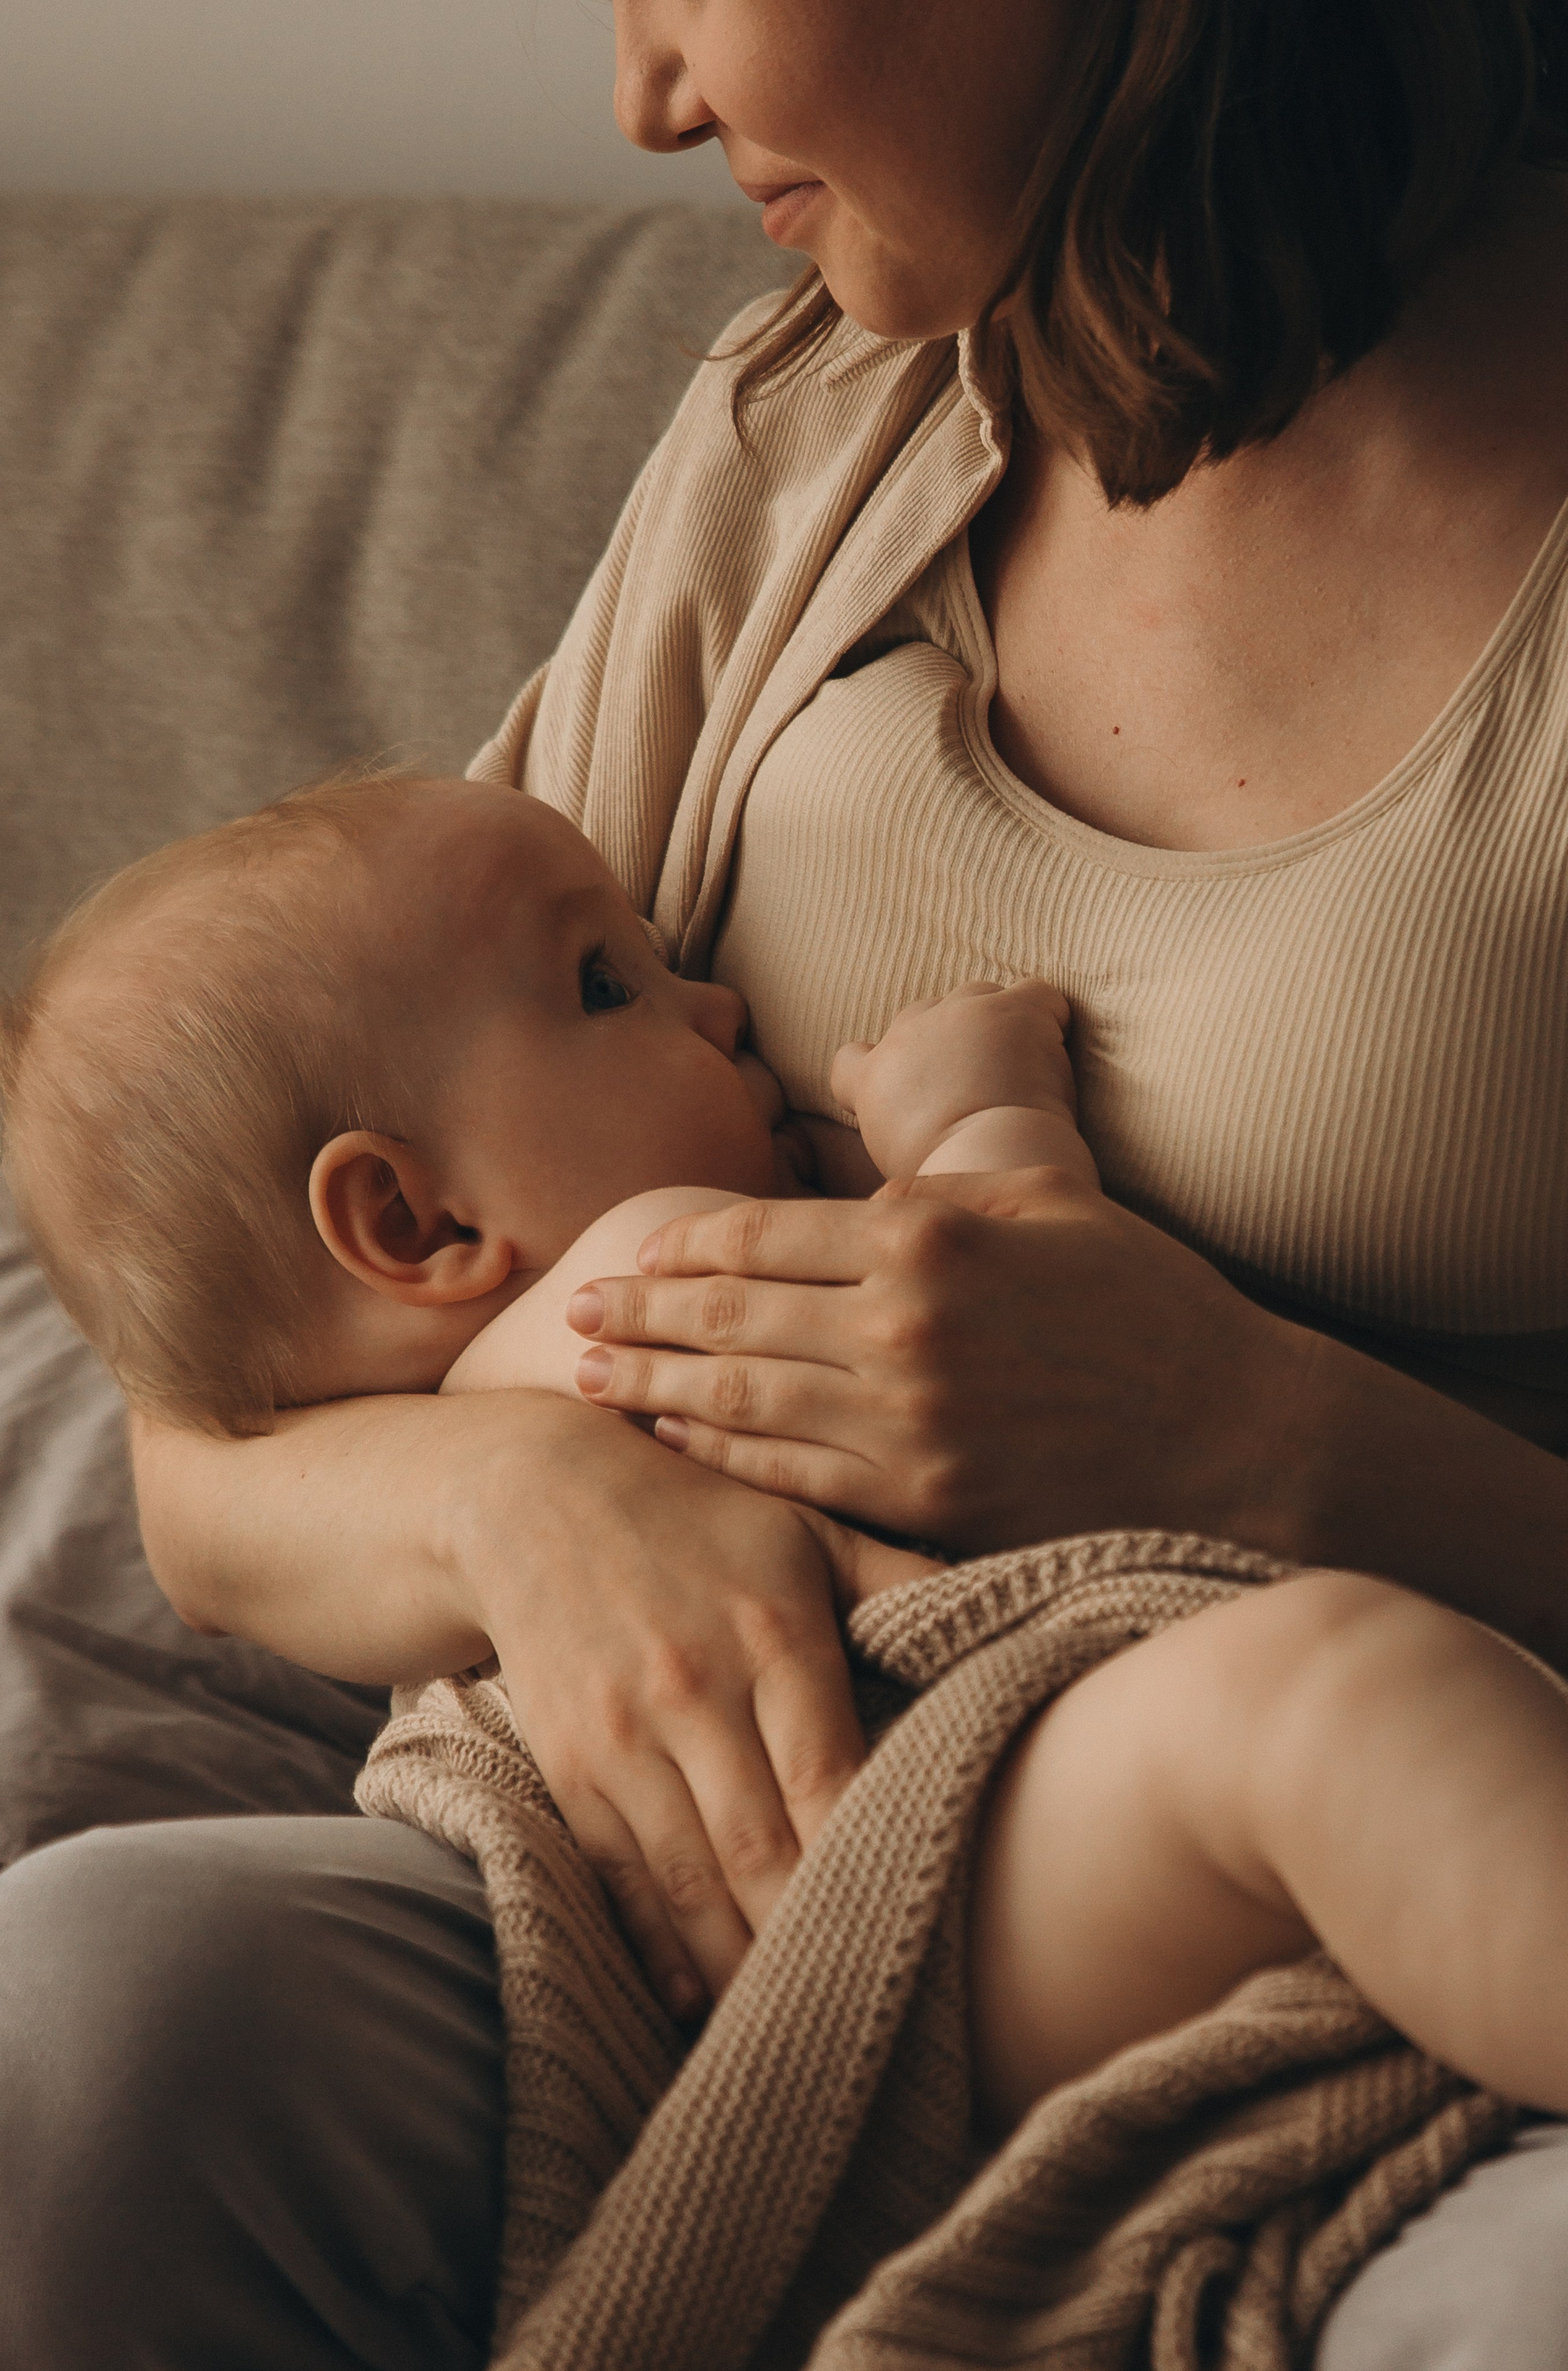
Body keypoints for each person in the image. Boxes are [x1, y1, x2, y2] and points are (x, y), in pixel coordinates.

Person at [2, 0, 1567, 2362]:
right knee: (102, 2012)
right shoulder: (814, 432)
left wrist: (1260, 1437)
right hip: (692, 1881)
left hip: (1337, 1836)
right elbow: (219, 1447)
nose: (641, 93)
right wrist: (523, 1507)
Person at [12, 769, 1568, 2168]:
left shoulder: (464, 1390)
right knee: (1334, 1707)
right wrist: (980, 1113)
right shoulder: (633, 1291)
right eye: (608, 980)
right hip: (908, 1881)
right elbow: (1009, 1305)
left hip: (858, 1900)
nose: (721, 1004)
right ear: (419, 1229)